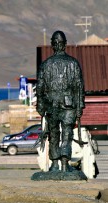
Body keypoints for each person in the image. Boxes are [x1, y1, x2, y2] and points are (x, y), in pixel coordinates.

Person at [36, 30, 85, 172]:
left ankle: (56, 164)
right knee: (66, 134)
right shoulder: (73, 63)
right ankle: (62, 164)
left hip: (52, 104)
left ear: (53, 45)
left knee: (54, 134)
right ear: (65, 45)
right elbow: (79, 87)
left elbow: (40, 88)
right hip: (67, 105)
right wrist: (80, 106)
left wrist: (40, 105)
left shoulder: (46, 64)